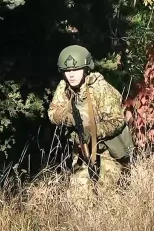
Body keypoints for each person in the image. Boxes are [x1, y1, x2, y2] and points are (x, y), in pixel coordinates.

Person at [48, 45, 134, 191]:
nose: (72, 75)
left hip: (108, 147)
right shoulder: (64, 88)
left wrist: (94, 131)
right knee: (78, 196)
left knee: (107, 192)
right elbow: (52, 112)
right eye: (67, 71)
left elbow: (117, 121)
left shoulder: (100, 87)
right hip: (83, 148)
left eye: (76, 69)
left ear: (86, 68)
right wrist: (69, 118)